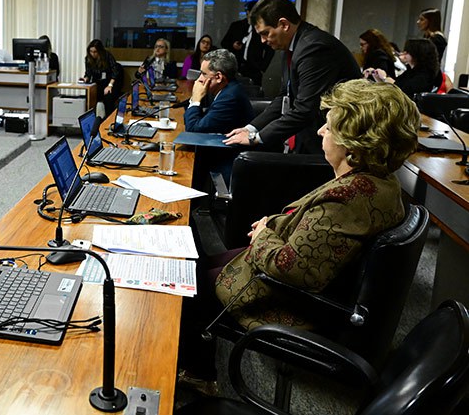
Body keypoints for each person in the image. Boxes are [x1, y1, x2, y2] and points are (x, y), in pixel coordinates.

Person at [177, 79, 420, 394]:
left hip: (294, 302)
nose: (320, 131)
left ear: (353, 143)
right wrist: (273, 225)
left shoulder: (348, 199)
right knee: (196, 265)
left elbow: (291, 268)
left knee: (184, 286)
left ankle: (199, 376)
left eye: (329, 127)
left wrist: (264, 234)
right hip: (305, 283)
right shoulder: (380, 182)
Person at [224, 0, 360, 154]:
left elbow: (305, 109)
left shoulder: (313, 48)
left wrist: (256, 138)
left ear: (284, 24)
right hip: (308, 136)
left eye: (265, 33)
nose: (263, 40)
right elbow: (285, 96)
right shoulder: (293, 45)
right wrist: (251, 128)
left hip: (331, 143)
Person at [184, 49, 253, 134]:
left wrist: (195, 100)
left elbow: (193, 130)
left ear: (218, 77)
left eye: (204, 74)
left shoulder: (229, 98)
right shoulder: (227, 89)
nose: (199, 79)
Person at [365, 38, 448, 96]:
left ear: (417, 54)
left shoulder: (424, 75)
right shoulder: (411, 71)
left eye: (407, 52)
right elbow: (394, 86)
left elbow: (401, 91)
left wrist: (384, 78)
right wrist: (378, 77)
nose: (403, 54)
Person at [220, 0, 275, 85]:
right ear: (248, 12)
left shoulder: (263, 28)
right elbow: (224, 43)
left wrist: (262, 67)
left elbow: (270, 49)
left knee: (253, 90)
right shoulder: (237, 26)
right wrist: (233, 46)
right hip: (235, 67)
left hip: (254, 69)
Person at [80, 39, 122, 118]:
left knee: (108, 96)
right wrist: (85, 78)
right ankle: (94, 118)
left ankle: (109, 118)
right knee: (91, 95)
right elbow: (88, 73)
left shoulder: (107, 56)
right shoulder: (88, 59)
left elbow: (115, 72)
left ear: (100, 51)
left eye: (95, 52)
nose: (93, 54)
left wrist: (110, 85)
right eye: (91, 51)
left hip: (110, 82)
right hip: (97, 83)